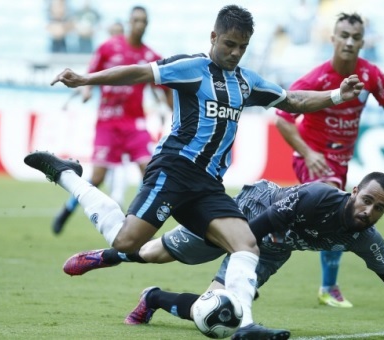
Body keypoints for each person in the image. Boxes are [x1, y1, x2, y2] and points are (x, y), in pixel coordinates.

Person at [24, 5, 363, 339]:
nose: (235, 53)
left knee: (245, 245)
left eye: (242, 47)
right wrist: (87, 78)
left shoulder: (246, 83)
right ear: (214, 36)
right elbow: (139, 72)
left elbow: (292, 101)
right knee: (126, 241)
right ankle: (66, 174)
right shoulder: (192, 68)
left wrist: (336, 95)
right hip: (174, 170)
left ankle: (245, 326)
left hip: (208, 185)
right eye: (229, 44)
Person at [62, 173, 384, 336]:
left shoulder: (365, 238)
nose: (369, 212)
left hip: (274, 249)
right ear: (355, 191)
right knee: (155, 253)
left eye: (379, 209)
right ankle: (106, 256)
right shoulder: (317, 197)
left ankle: (153, 298)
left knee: (219, 314)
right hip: (247, 215)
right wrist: (240, 280)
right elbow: (257, 228)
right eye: (367, 201)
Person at [274, 12, 384, 308]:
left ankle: (284, 231)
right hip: (314, 158)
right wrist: (308, 152)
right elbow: (283, 119)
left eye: (356, 37)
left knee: (338, 218)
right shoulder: (316, 78)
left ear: (363, 42)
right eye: (344, 35)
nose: (350, 42)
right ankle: (322, 280)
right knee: (335, 208)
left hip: (340, 161)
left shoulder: (370, 76)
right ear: (333, 39)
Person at [52, 6, 172, 235]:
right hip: (108, 122)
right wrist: (86, 92)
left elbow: (165, 88)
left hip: (135, 123)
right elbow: (90, 73)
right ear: (129, 22)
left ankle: (134, 219)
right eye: (135, 20)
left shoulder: (151, 57)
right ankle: (67, 210)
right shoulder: (108, 48)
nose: (139, 24)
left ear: (147, 25)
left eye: (143, 21)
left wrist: (172, 109)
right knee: (97, 177)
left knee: (149, 171)